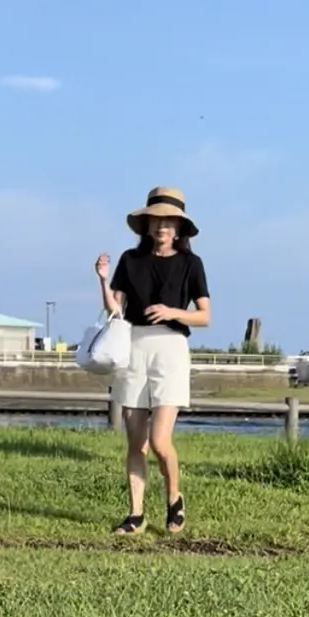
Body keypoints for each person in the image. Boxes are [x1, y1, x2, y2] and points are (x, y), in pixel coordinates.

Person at [94, 187, 211, 535]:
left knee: (160, 442)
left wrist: (172, 311)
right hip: (133, 346)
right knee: (135, 442)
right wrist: (103, 280)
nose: (162, 226)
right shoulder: (130, 260)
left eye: (169, 220)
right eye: (156, 219)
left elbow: (204, 316)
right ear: (146, 224)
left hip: (171, 349)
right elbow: (114, 309)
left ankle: (174, 498)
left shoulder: (192, 264)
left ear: (179, 227)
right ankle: (136, 514)